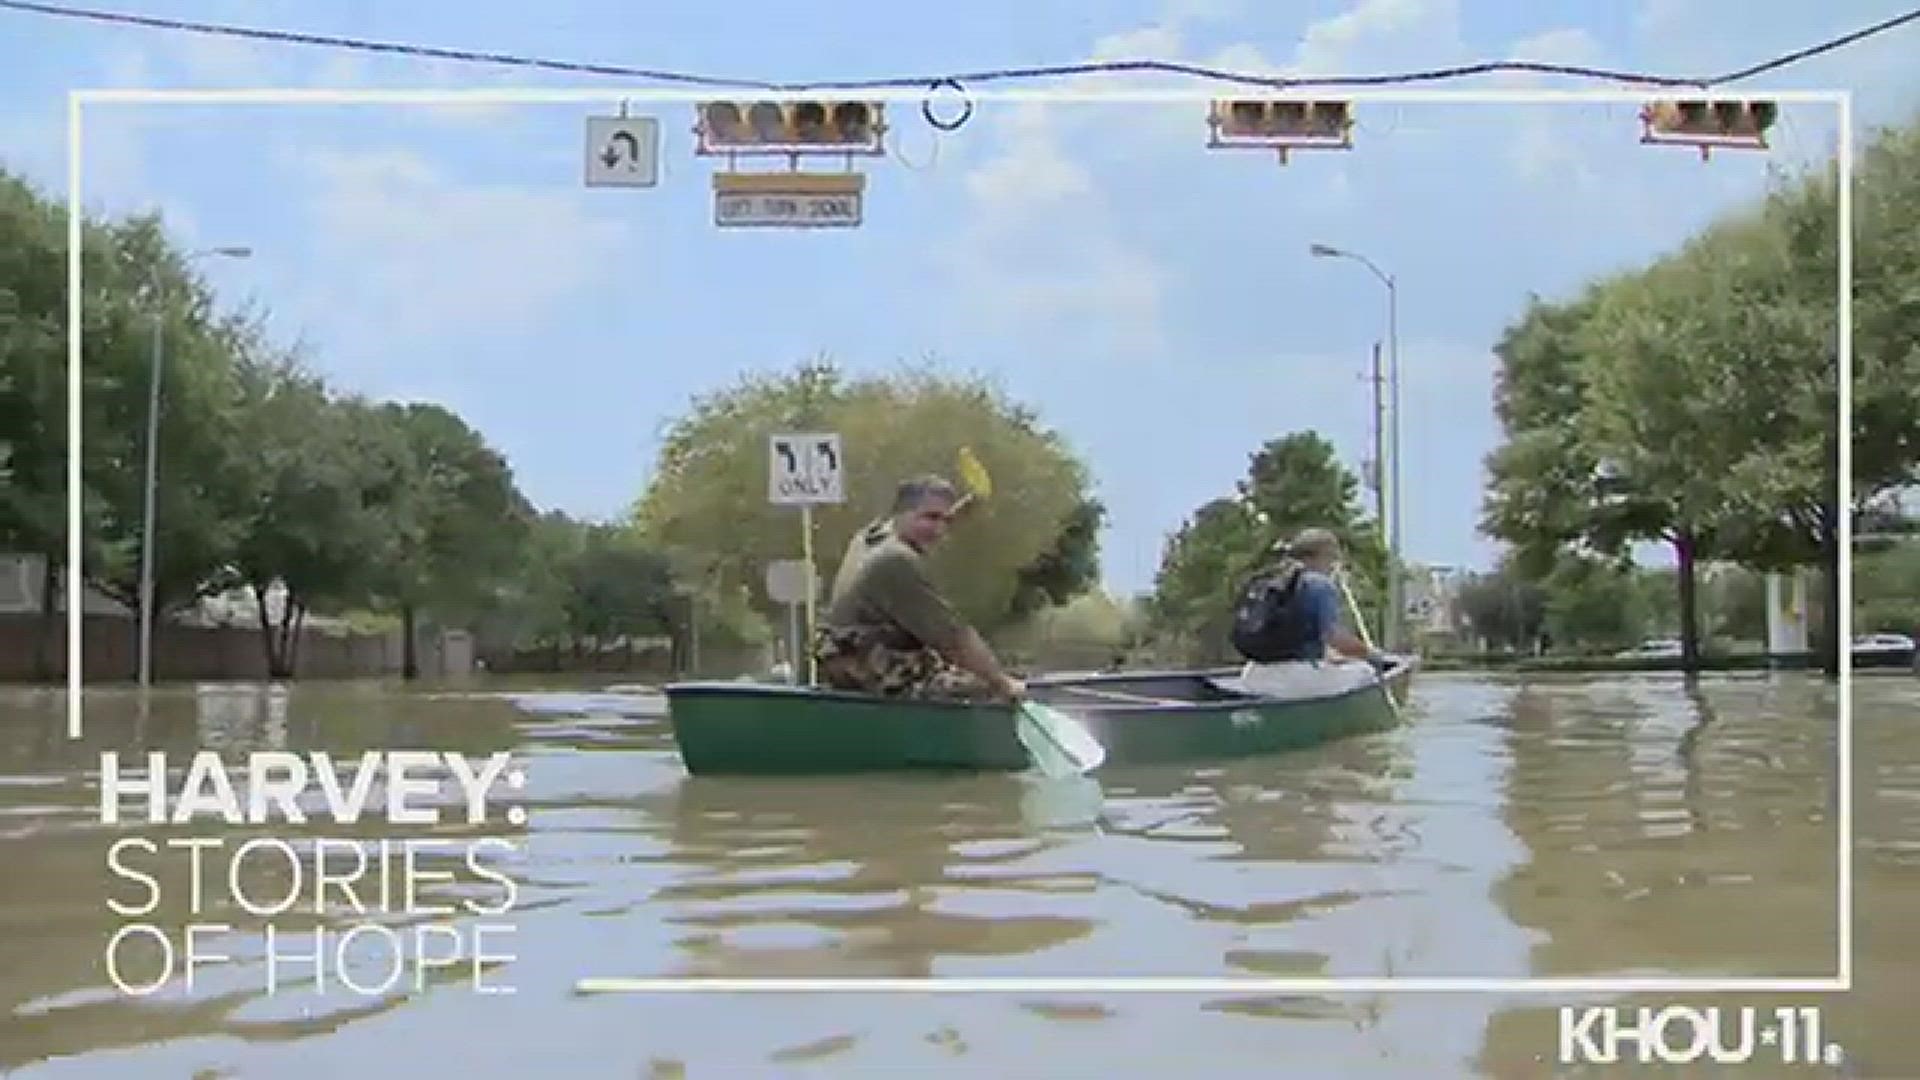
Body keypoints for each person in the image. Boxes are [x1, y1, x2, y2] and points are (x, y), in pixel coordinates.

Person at [812, 475, 1025, 702]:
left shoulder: (867, 538)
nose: (939, 530)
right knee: (981, 686)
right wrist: (1003, 683)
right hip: (869, 673)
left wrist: (949, 514)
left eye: (945, 521)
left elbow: (915, 521)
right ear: (902, 513)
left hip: (845, 668)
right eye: (931, 518)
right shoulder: (896, 560)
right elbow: (953, 637)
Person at [1227, 527, 1390, 698]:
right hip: (1298, 678)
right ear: (1323, 555)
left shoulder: (1269, 578)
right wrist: (1372, 654)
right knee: (1365, 672)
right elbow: (1335, 638)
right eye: (1333, 557)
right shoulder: (1319, 583)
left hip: (1253, 675)